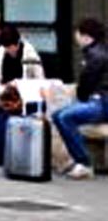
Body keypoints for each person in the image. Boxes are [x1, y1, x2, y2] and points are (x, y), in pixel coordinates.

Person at [0, 24, 44, 163]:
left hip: (20, 96)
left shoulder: (29, 52)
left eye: (12, 47)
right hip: (2, 90)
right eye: (7, 48)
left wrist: (18, 83)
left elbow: (40, 80)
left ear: (18, 43)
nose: (10, 51)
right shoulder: (1, 51)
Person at [52, 18, 108, 180]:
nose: (76, 38)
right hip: (99, 101)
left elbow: (85, 85)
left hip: (102, 102)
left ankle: (84, 163)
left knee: (64, 116)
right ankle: (79, 161)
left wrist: (82, 98)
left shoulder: (96, 56)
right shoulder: (98, 52)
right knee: (58, 116)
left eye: (77, 34)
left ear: (86, 36)